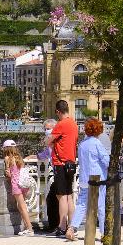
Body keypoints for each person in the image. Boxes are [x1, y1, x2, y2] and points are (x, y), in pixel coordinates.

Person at [67, 118, 111, 241]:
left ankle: (72, 228)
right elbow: (106, 160)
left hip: (84, 178)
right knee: (101, 206)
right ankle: (104, 233)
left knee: (81, 204)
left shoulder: (82, 144)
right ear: (98, 130)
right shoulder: (96, 143)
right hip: (97, 179)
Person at [48, 101, 79, 237]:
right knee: (69, 196)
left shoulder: (61, 124)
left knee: (61, 196)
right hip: (70, 163)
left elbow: (48, 140)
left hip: (60, 164)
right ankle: (72, 226)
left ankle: (62, 225)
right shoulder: (73, 123)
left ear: (58, 112)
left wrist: (52, 140)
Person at [3, 140, 34, 236]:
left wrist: (7, 172)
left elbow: (8, 173)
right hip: (24, 184)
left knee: (22, 207)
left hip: (16, 185)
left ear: (6, 149)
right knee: (21, 206)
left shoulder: (7, 158)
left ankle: (30, 229)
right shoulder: (19, 158)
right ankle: (26, 227)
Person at [38, 118, 59, 232]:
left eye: (48, 129)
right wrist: (34, 157)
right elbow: (45, 154)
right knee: (53, 199)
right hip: (55, 173)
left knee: (53, 199)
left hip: (57, 172)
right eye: (45, 129)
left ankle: (56, 226)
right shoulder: (50, 143)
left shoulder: (56, 141)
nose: (46, 131)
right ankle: (57, 225)